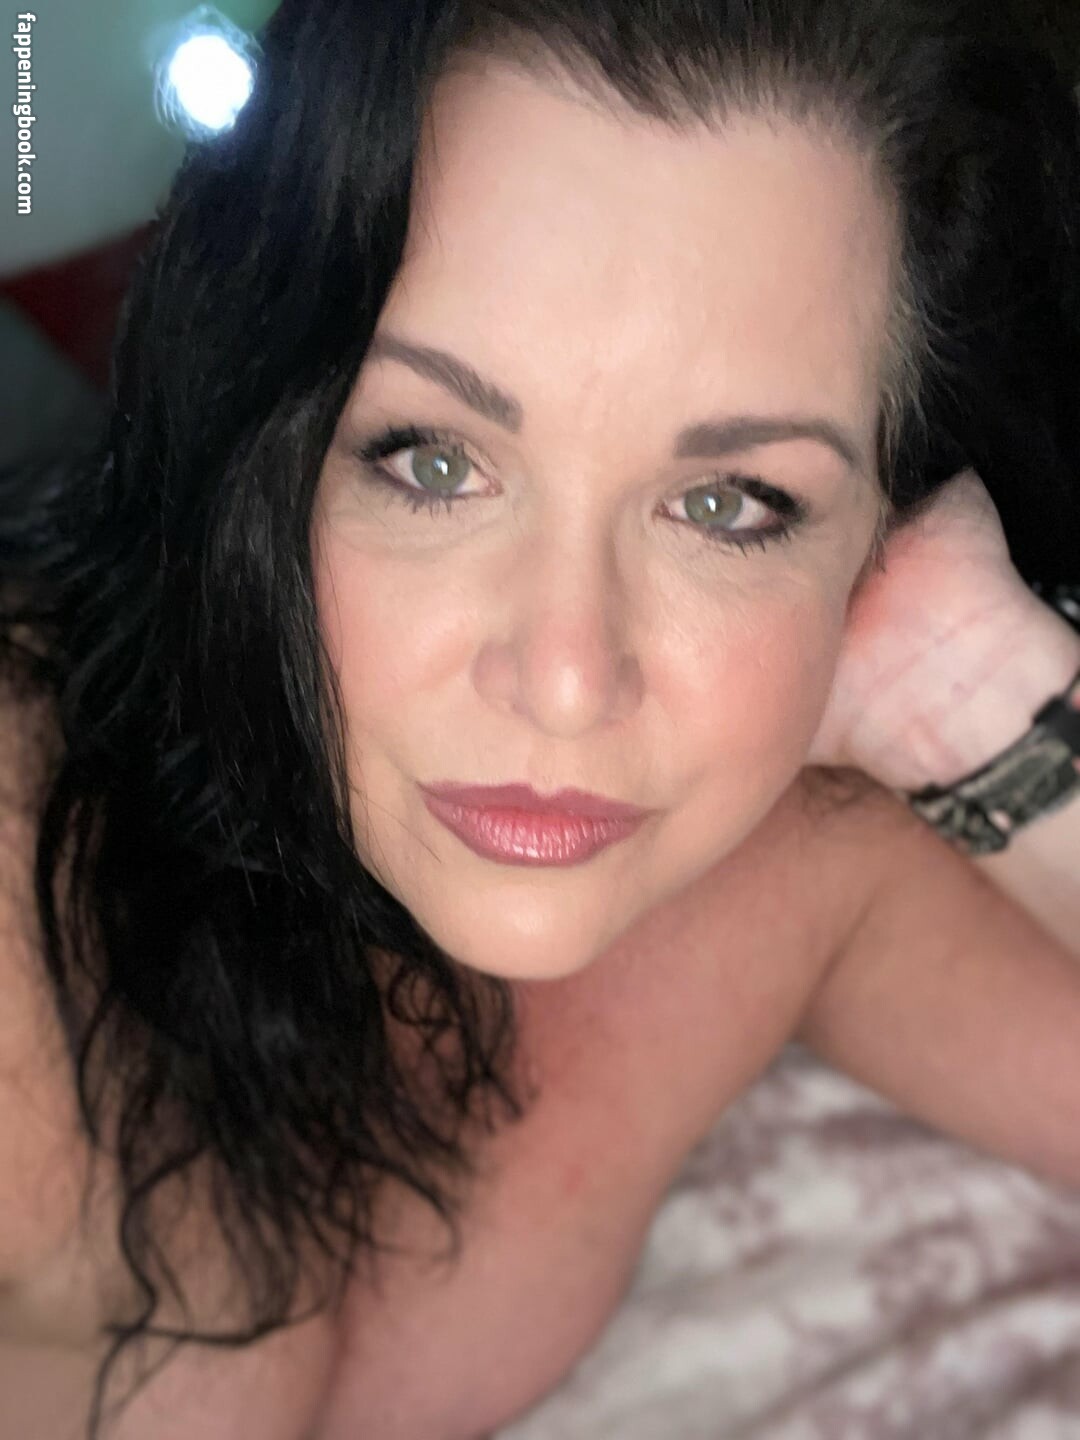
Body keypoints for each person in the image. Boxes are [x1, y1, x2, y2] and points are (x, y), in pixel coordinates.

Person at [1, 1, 1079, 1437]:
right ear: (250, 424)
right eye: (433, 462)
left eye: (730, 504)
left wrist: (974, 697)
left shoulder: (794, 858)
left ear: (883, 524)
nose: (567, 680)